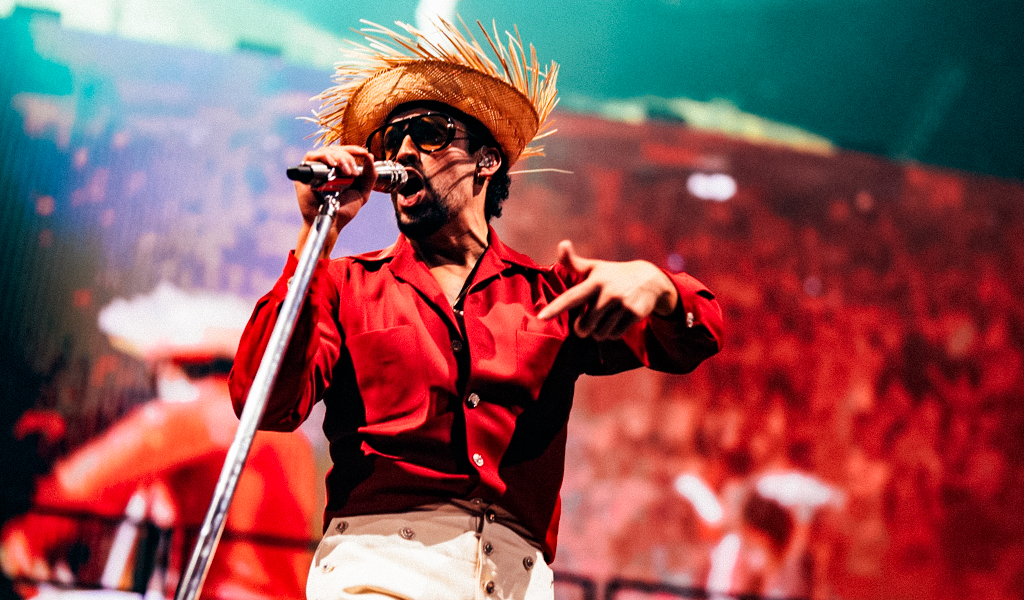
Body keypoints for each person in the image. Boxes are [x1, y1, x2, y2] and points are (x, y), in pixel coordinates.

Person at [229, 18, 724, 600]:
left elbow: (698, 336)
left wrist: (657, 286)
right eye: (393, 139)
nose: (404, 150)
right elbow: (265, 403)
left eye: (429, 134)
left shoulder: (548, 294)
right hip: (379, 570)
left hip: (512, 580)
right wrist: (317, 236)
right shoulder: (344, 285)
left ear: (486, 161)